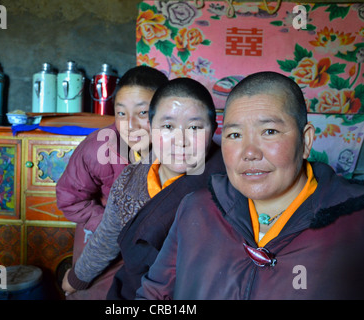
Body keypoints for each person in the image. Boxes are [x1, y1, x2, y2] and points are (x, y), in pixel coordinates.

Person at [136, 71, 364, 300]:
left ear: (305, 141)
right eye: (235, 135)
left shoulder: (355, 221)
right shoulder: (197, 208)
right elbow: (153, 295)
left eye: (270, 132)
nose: (249, 153)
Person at [62, 78, 225, 299]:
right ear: (152, 125)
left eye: (195, 127)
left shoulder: (227, 183)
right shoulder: (131, 179)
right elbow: (108, 237)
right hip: (132, 288)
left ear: (213, 129)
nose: (181, 140)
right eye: (167, 126)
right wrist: (77, 277)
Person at [56, 65, 168, 300]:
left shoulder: (176, 149)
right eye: (121, 113)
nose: (130, 125)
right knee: (91, 292)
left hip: (150, 237)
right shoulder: (98, 148)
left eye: (143, 113)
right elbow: (69, 198)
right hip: (101, 231)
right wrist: (111, 226)